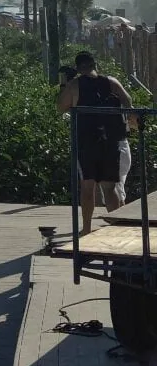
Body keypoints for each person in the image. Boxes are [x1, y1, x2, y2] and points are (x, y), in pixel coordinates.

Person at [57, 51, 133, 235]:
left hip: (87, 141)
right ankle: (117, 229)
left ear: (78, 68)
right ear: (94, 64)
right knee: (110, 188)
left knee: (87, 186)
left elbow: (60, 107)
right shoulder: (111, 81)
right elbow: (128, 100)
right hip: (110, 140)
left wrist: (63, 84)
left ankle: (87, 229)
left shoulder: (75, 85)